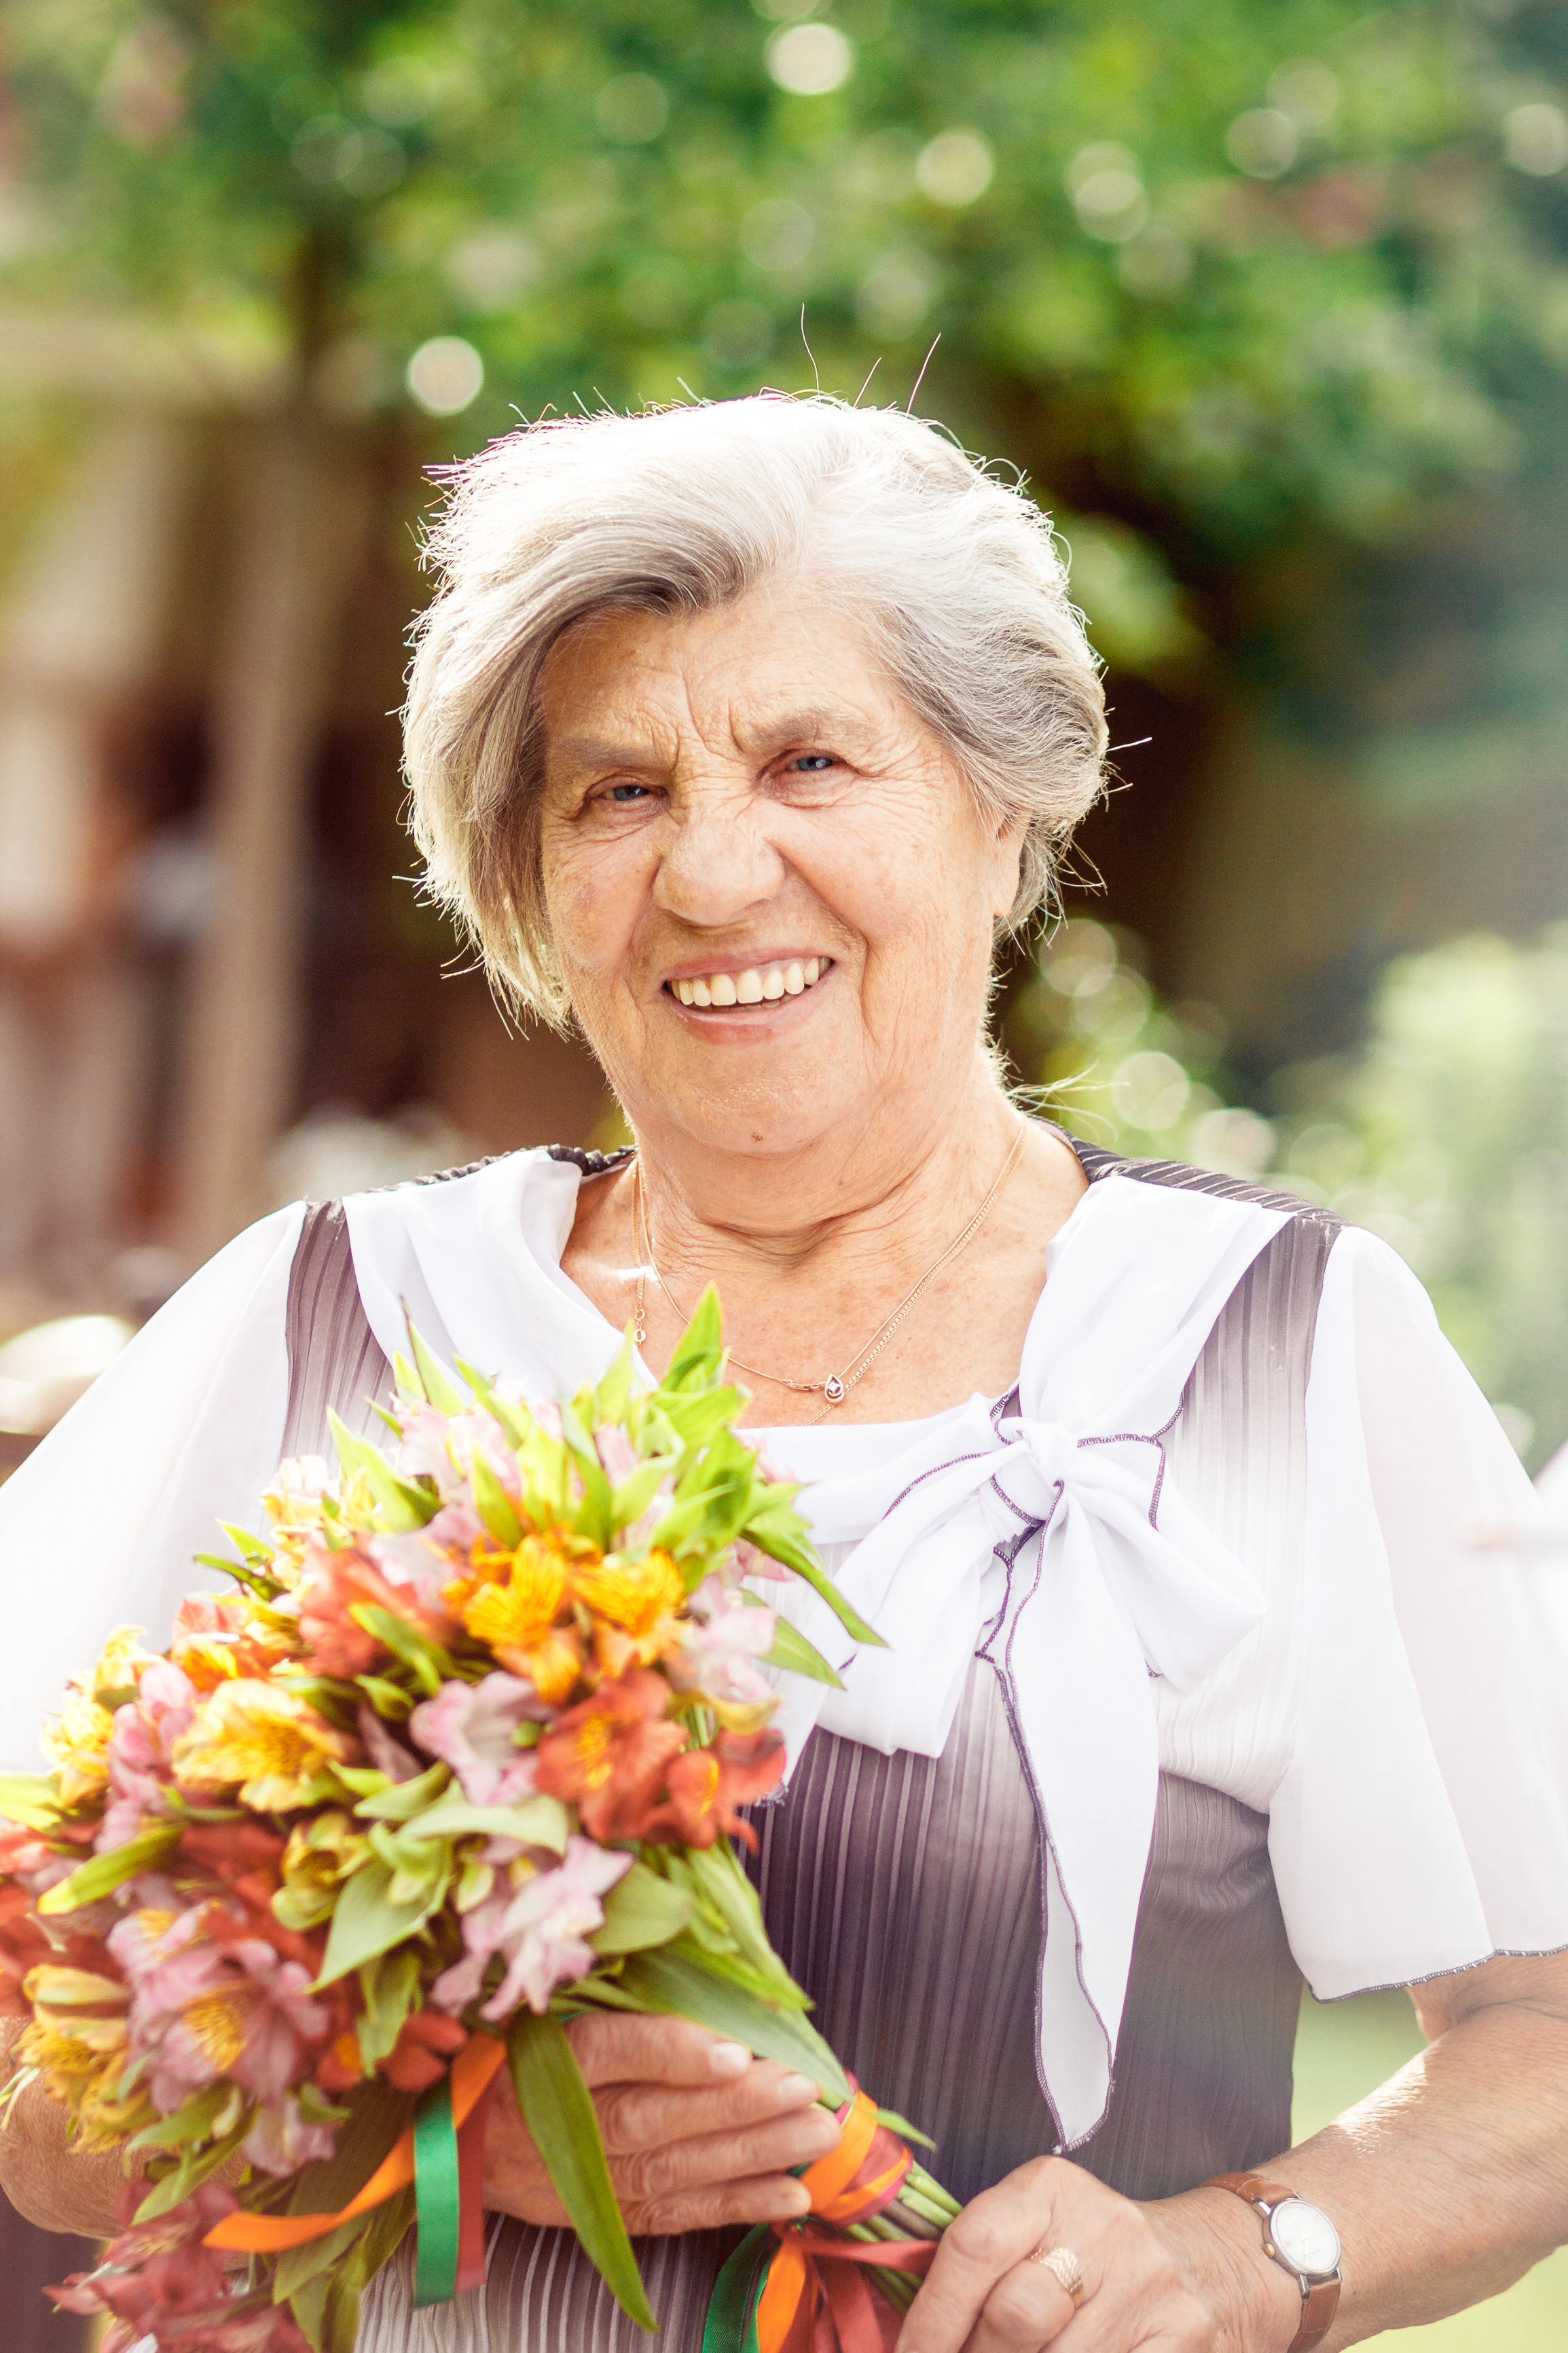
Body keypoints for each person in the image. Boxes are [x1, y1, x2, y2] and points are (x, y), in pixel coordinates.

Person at [3, 393, 1567, 2353]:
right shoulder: (325, 1322)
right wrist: (396, 2120)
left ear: (1006, 809)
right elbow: (31, 2078)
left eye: (812, 760)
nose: (717, 875)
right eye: (619, 791)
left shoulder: (1282, 1345)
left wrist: (1245, 2256)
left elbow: (1542, 2047)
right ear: (530, 872)